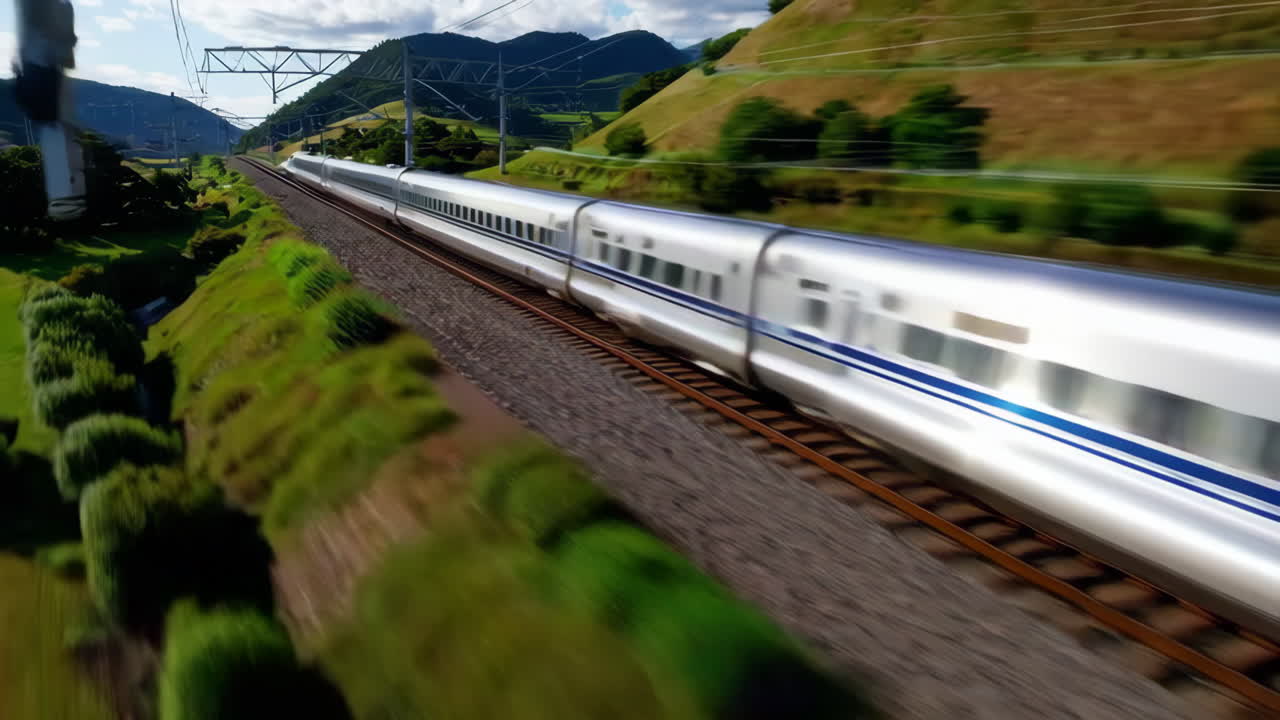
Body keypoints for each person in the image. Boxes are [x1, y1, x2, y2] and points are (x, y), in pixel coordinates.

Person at [13, 0, 87, 221]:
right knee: (56, 131)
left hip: (42, 71)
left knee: (55, 130)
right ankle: (66, 203)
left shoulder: (55, 10)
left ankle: (65, 203)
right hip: (44, 72)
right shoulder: (59, 9)